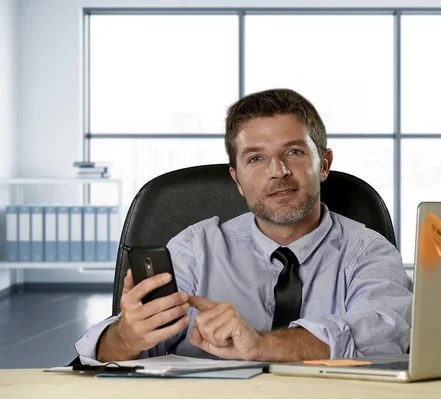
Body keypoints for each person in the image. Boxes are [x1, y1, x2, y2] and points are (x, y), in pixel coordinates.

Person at [75, 88, 413, 364]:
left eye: (294, 152)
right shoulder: (196, 249)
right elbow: (114, 354)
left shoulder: (369, 251)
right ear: (236, 179)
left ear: (323, 165)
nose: (277, 171)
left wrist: (261, 346)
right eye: (255, 158)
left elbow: (387, 333)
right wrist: (127, 336)